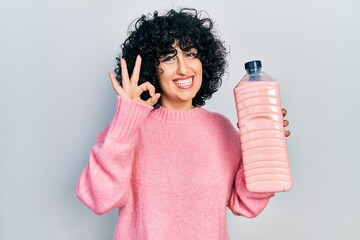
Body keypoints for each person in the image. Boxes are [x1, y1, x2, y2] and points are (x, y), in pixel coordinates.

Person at [76, 8, 290, 240]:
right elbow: (99, 198)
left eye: (190, 54)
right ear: (151, 68)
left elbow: (246, 205)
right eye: (168, 58)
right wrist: (125, 121)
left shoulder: (221, 129)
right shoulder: (128, 130)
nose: (183, 68)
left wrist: (265, 149)